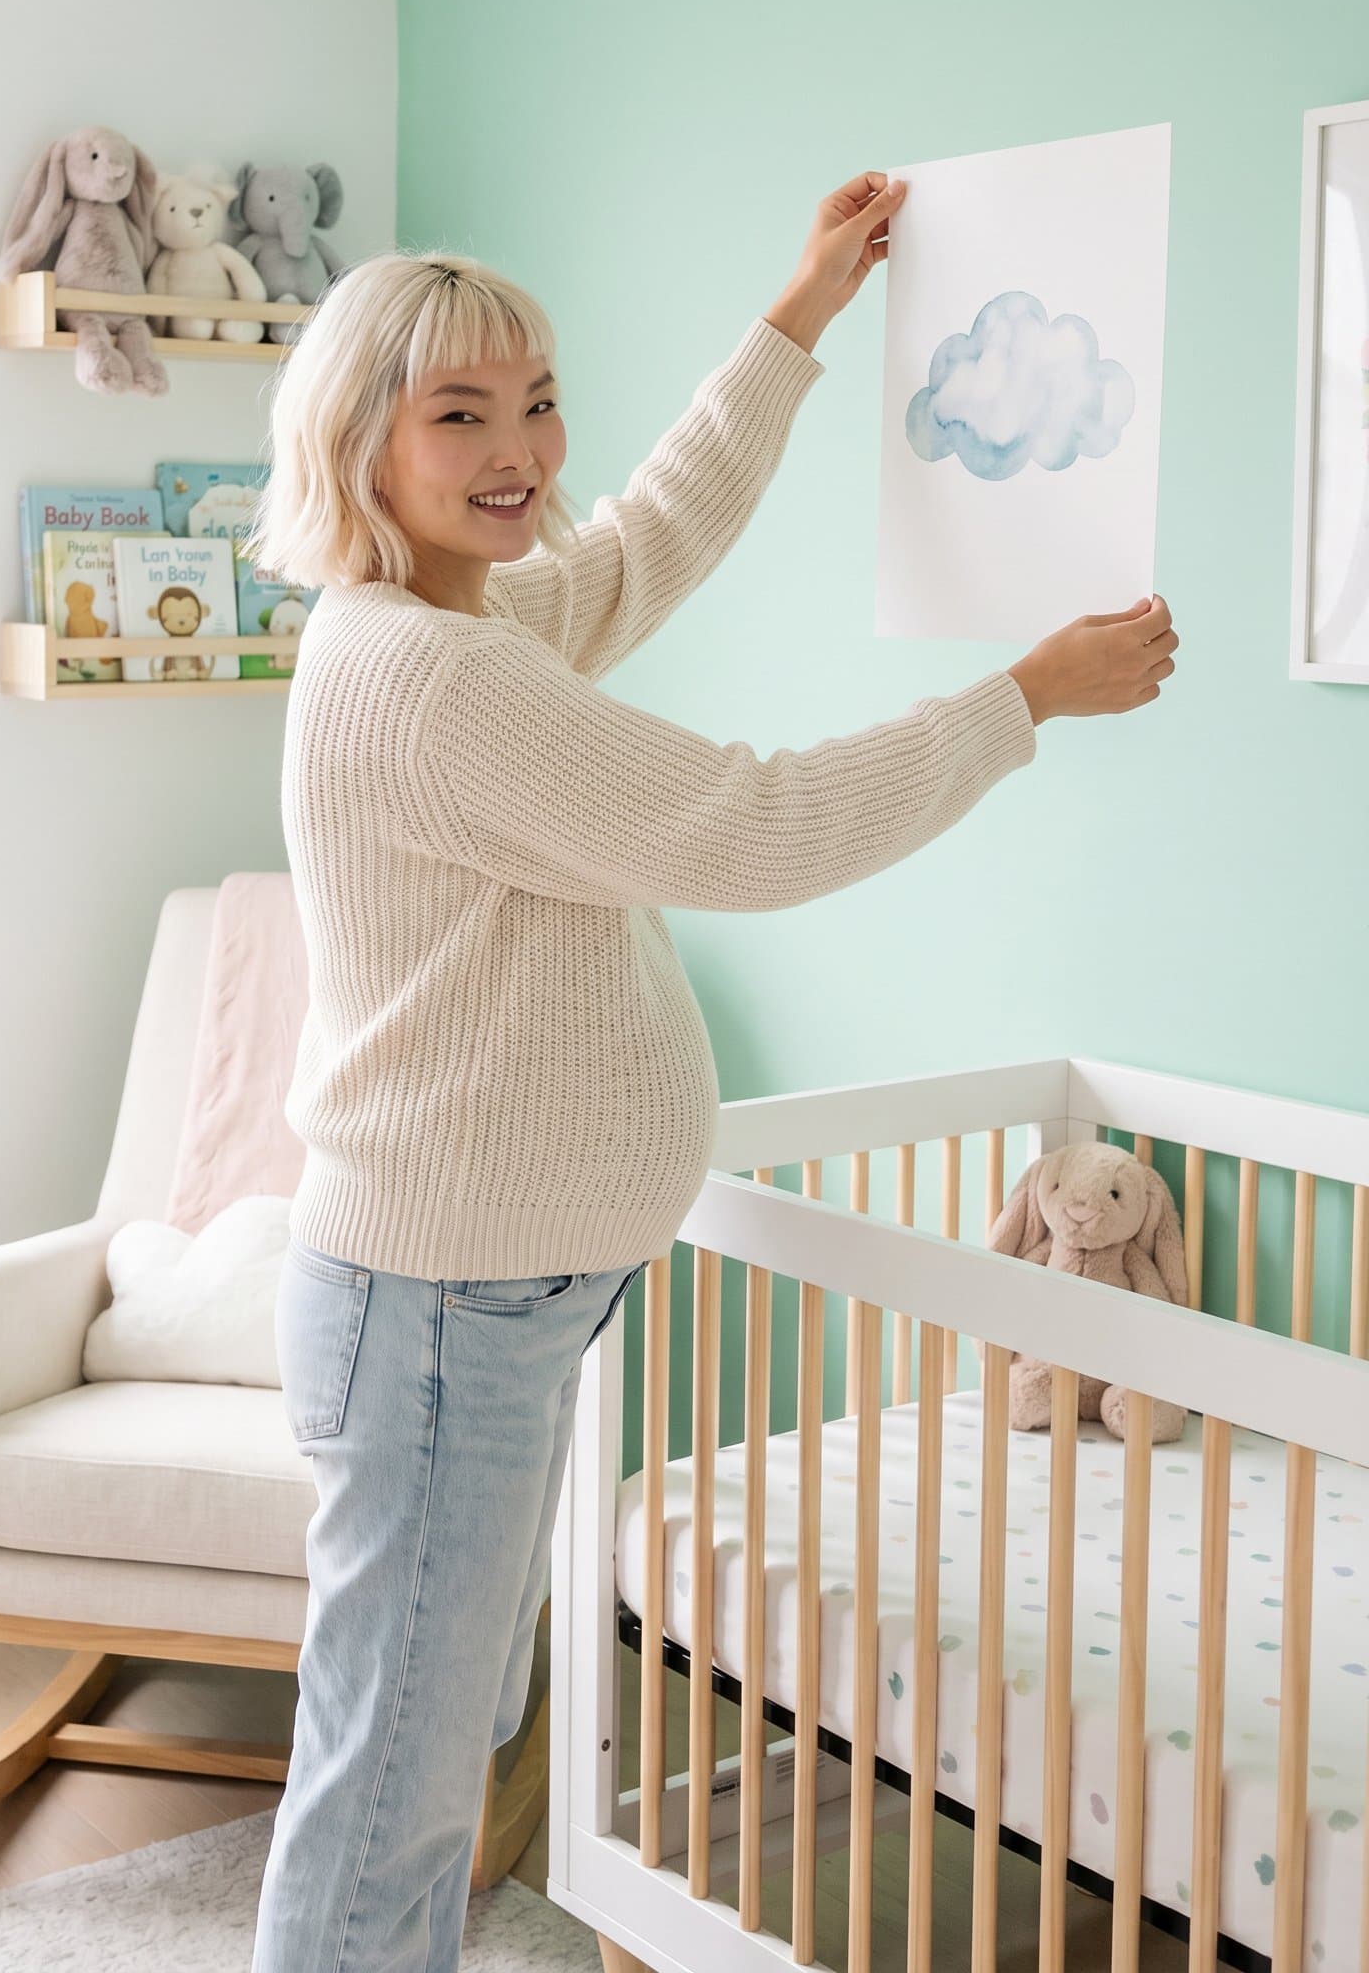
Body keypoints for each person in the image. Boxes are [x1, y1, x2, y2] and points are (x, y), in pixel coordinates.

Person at [242, 174, 1178, 1972]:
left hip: (481, 1291)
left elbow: (652, 531)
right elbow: (747, 826)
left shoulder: (468, 621)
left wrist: (801, 315)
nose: (520, 448)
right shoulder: (435, 678)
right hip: (442, 1305)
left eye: (536, 402)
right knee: (394, 1774)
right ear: (361, 443)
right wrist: (1021, 703)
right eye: (460, 415)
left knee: (422, 1733)